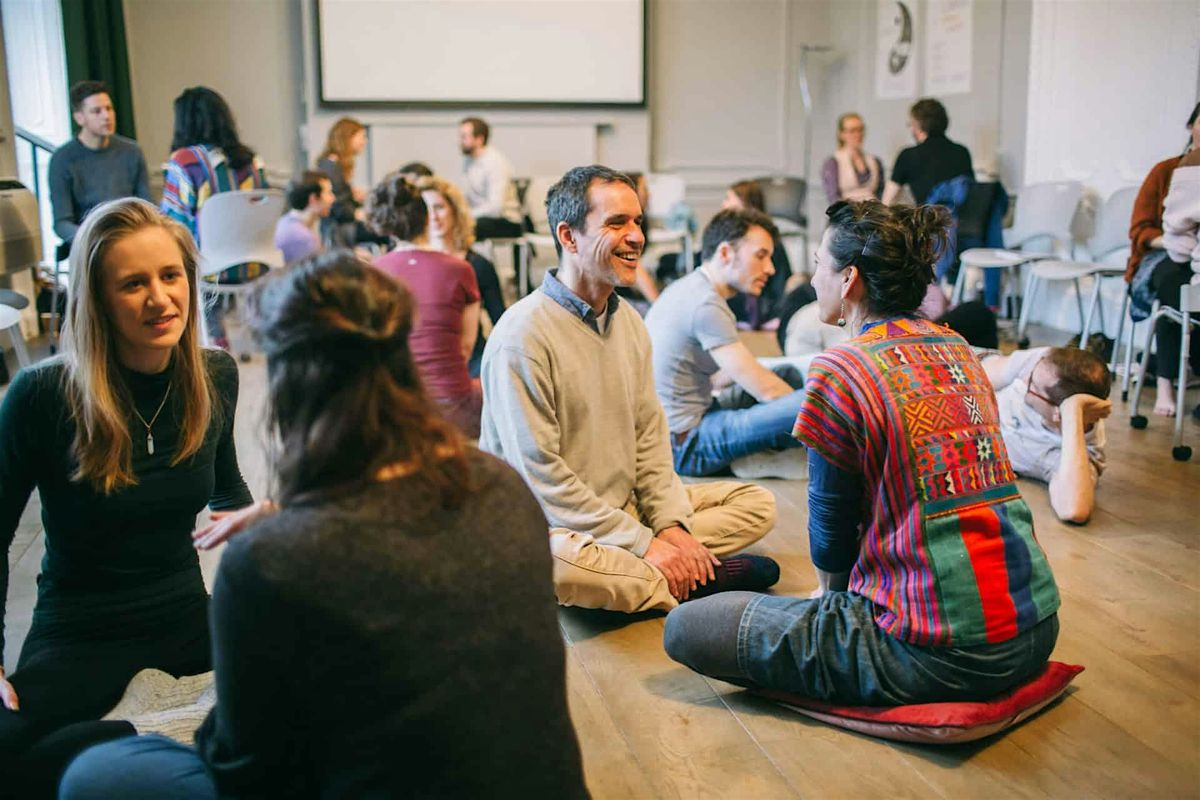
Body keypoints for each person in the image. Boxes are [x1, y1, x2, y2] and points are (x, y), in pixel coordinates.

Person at [58, 252, 588, 799]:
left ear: (290, 387)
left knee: (98, 771)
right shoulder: (499, 485)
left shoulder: (270, 563)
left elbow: (246, 772)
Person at [664, 200, 1061, 706]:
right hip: (1037, 628)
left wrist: (829, 605)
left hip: (940, 653)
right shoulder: (959, 349)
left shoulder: (842, 368)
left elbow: (831, 536)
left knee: (688, 627)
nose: (813, 279)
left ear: (849, 278)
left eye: (819, 265)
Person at [0, 198, 253, 796]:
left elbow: (230, 494)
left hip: (185, 616)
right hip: (79, 630)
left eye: (171, 276)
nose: (161, 299)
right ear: (98, 300)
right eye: (133, 284)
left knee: (311, 699)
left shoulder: (214, 374)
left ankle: (134, 746)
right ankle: (138, 741)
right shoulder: (41, 395)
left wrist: (277, 543)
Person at [480, 165, 780, 614]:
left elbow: (650, 441)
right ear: (569, 236)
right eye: (616, 223)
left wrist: (669, 526)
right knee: (557, 565)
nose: (637, 236)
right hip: (551, 527)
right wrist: (645, 542)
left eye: (638, 221)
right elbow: (542, 481)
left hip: (623, 510)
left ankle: (654, 573)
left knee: (756, 503)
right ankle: (695, 576)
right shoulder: (521, 336)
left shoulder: (631, 325)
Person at [646, 208, 806, 480]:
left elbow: (718, 378)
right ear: (724, 253)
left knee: (787, 376)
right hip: (685, 445)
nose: (770, 268)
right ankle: (760, 457)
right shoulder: (706, 304)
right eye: (760, 256)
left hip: (682, 425)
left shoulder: (691, 287)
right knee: (811, 403)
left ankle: (760, 454)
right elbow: (768, 391)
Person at [368, 173, 484, 437]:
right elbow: (465, 347)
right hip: (453, 405)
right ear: (425, 219)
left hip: (398, 407)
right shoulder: (461, 269)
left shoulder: (375, 272)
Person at [160, 86, 268, 347]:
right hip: (253, 263)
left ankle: (214, 337)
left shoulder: (184, 161)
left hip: (208, 266)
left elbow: (171, 221)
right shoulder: (253, 161)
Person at [981, 346, 1112, 524]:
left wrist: (1072, 409)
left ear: (1058, 413)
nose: (1024, 380)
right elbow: (969, 377)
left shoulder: (1070, 456)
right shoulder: (1046, 364)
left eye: (1033, 386)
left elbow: (1073, 510)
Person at [1128, 103, 1200, 416]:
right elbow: (1140, 230)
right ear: (1191, 126)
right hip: (1161, 254)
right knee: (1177, 285)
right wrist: (1173, 241)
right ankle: (1165, 383)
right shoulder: (1166, 170)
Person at [417, 175, 505, 377]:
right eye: (426, 210)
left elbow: (500, 321)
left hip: (472, 360)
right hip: (425, 359)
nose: (433, 216)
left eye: (439, 207)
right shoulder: (413, 262)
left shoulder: (479, 265)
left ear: (454, 211)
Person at [48, 80, 152, 245]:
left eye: (109, 109)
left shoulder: (132, 152)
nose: (106, 116)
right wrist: (93, 241)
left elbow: (147, 207)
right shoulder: (62, 159)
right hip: (88, 242)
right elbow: (62, 223)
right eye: (97, 111)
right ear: (79, 118)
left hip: (130, 237)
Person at [720, 180, 794, 327]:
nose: (723, 204)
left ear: (743, 201)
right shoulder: (726, 235)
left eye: (728, 198)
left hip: (766, 306)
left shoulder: (770, 240)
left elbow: (781, 281)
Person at [882, 98, 974, 206]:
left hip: (930, 216)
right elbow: (972, 191)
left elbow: (887, 201)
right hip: (960, 216)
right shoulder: (962, 152)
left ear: (918, 125)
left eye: (911, 124)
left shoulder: (909, 155)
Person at [316, 117, 384, 247]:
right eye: (362, 137)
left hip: (342, 225)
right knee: (386, 230)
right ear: (348, 137)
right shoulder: (332, 166)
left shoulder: (333, 164)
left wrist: (352, 195)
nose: (365, 141)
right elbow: (337, 207)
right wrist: (356, 214)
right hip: (340, 229)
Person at [458, 117, 523, 240]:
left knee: (464, 228)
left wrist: (467, 215)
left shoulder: (495, 163)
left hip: (506, 220)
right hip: (481, 217)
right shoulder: (469, 160)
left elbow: (495, 208)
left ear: (479, 139)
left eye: (464, 137)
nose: (460, 141)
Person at [821, 112, 886, 203]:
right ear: (841, 134)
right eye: (852, 130)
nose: (858, 134)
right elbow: (833, 198)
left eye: (860, 130)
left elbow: (881, 193)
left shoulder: (875, 161)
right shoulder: (833, 163)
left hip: (873, 209)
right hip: (846, 210)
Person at [274, 170, 334, 264]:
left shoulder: (285, 222)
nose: (333, 198)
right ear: (313, 199)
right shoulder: (304, 238)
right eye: (329, 193)